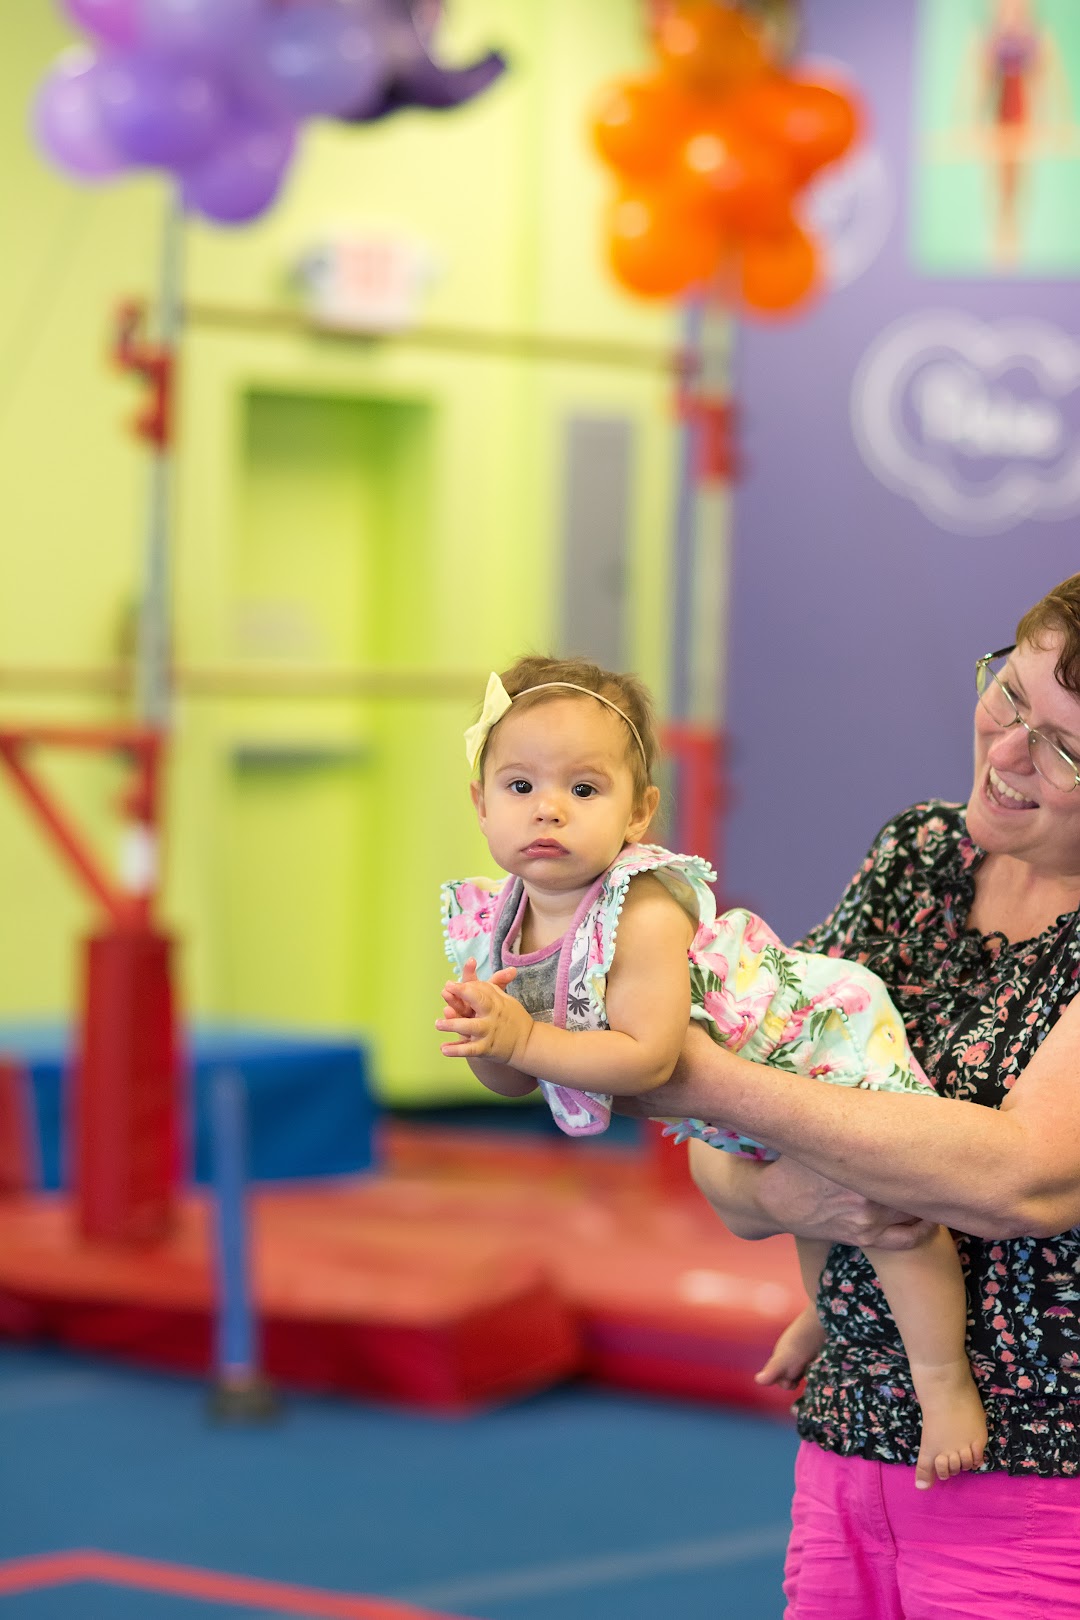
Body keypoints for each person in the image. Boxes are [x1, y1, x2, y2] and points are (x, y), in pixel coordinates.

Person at [603, 574, 1080, 1618]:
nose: (1006, 753)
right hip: (850, 1446)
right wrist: (788, 1200)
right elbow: (730, 1172)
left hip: (1043, 1480)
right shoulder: (916, 858)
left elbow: (1024, 1181)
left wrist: (696, 1076)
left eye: (1063, 747)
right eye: (1008, 696)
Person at [437, 653, 987, 1492]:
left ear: (638, 813)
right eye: (519, 787)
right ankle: (828, 1309)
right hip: (739, 1100)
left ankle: (944, 1382)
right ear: (480, 802)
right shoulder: (493, 919)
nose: (548, 808)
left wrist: (521, 1039)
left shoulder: (643, 903)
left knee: (896, 1215)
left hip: (814, 1035)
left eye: (584, 790)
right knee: (813, 1194)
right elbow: (517, 1083)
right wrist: (492, 1043)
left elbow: (650, 1057)